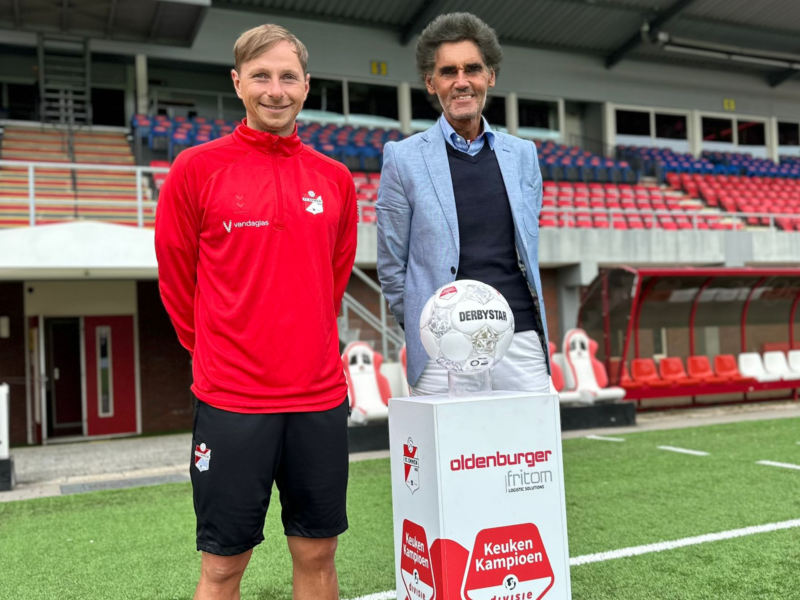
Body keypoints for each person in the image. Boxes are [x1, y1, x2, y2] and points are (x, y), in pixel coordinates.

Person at [155, 24, 357, 600]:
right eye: (262, 76)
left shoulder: (334, 179)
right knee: (222, 566)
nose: (276, 90)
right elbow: (176, 281)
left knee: (318, 554)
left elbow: (332, 281)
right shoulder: (196, 169)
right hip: (232, 399)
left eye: (288, 76)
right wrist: (221, 351)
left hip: (318, 398)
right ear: (238, 82)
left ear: (306, 85)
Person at [376, 12, 551, 396]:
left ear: (490, 76)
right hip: (441, 344)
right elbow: (391, 263)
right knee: (452, 457)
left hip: (518, 335)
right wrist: (422, 326)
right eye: (447, 71)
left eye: (472, 69)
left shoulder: (523, 155)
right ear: (430, 82)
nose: (461, 82)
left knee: (531, 454)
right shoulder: (403, 158)